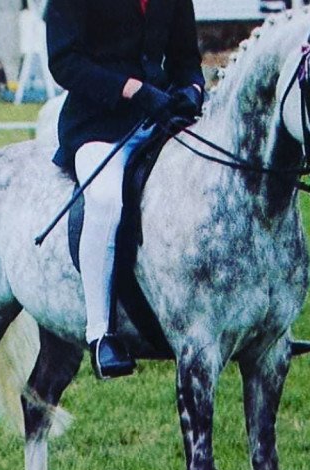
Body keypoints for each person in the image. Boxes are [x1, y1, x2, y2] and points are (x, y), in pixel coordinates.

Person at [46, 0, 205, 379]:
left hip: (163, 117)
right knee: (104, 202)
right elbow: (64, 62)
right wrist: (131, 89)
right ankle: (102, 334)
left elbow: (186, 57)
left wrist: (194, 90)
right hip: (98, 124)